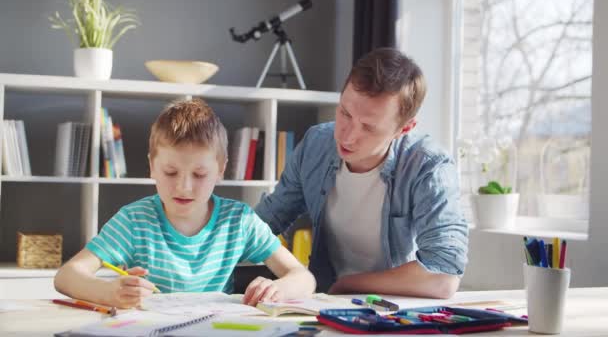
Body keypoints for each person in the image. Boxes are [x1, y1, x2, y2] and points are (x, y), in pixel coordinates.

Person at [54, 99, 316, 308]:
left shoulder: (239, 221)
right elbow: (67, 276)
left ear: (221, 170)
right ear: (152, 167)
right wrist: (109, 291)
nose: (184, 187)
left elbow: (304, 277)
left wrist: (280, 288)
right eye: (170, 172)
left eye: (199, 175)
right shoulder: (134, 221)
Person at [255, 47, 469, 299]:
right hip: (324, 302)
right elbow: (265, 221)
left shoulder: (429, 166)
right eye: (345, 113)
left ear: (405, 128)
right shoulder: (316, 144)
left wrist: (349, 284)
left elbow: (443, 277)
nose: (347, 135)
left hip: (393, 310)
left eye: (368, 127)